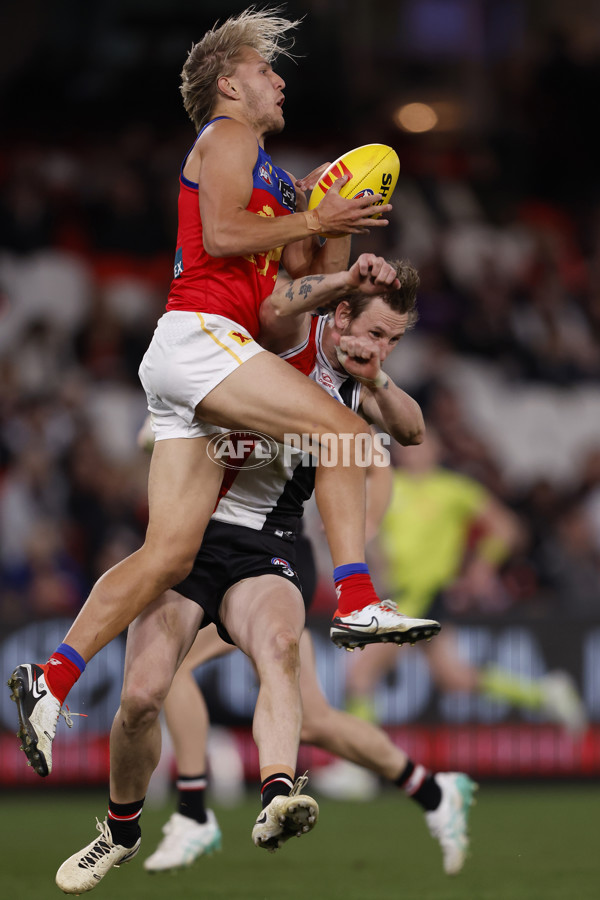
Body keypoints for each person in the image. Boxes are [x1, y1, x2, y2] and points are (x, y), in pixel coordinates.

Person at [8, 7, 423, 781]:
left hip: (191, 355)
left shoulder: (267, 171)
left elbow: (278, 305)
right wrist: (310, 214)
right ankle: (359, 597)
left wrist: (339, 244)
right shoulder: (228, 138)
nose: (280, 80)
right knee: (341, 431)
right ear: (230, 83)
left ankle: (51, 678)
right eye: (267, 70)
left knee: (167, 552)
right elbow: (226, 236)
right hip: (200, 339)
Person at [54, 261, 451, 894]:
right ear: (340, 313)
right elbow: (274, 305)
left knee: (280, 650)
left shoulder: (359, 382)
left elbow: (412, 428)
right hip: (191, 540)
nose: (379, 348)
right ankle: (122, 832)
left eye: (393, 340)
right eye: (375, 332)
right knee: (139, 702)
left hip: (269, 545)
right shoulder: (284, 338)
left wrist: (379, 375)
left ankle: (276, 792)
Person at [335, 429, 589, 764]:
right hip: (400, 595)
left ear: (437, 451)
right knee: (454, 678)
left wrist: (480, 568)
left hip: (424, 595)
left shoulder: (453, 489)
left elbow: (508, 528)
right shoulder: (388, 485)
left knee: (361, 673)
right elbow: (376, 538)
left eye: (420, 446)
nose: (411, 451)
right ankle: (545, 694)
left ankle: (360, 764)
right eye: (406, 446)